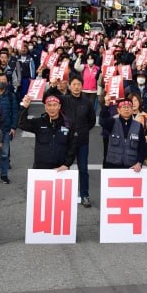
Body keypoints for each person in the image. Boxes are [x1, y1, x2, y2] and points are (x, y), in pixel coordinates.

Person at [47, 75, 96, 207]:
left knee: (83, 169)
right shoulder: (64, 99)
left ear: (82, 86)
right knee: (62, 167)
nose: (76, 87)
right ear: (70, 85)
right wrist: (52, 86)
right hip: (65, 140)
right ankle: (61, 196)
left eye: (79, 84)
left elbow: (92, 120)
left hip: (82, 141)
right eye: (74, 84)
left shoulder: (87, 102)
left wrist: (83, 130)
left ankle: (85, 195)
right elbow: (47, 98)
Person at [18, 94, 76, 170]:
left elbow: (73, 145)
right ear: (45, 107)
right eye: (49, 105)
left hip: (61, 168)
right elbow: (22, 124)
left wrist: (67, 164)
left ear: (59, 107)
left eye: (55, 105)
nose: (52, 108)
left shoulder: (68, 123)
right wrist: (25, 108)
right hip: (40, 168)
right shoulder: (39, 122)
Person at [100, 97, 146, 171]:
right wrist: (106, 104)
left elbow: (142, 147)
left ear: (132, 110)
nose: (126, 109)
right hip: (112, 165)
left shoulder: (138, 126)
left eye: (129, 107)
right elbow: (102, 121)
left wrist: (140, 162)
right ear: (118, 110)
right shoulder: (112, 122)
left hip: (131, 167)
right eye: (123, 107)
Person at [0, 73, 18, 184]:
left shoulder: (11, 96)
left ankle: (4, 175)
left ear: (7, 83)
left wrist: (13, 127)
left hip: (6, 129)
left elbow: (15, 112)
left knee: (4, 154)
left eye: (4, 80)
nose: (1, 82)